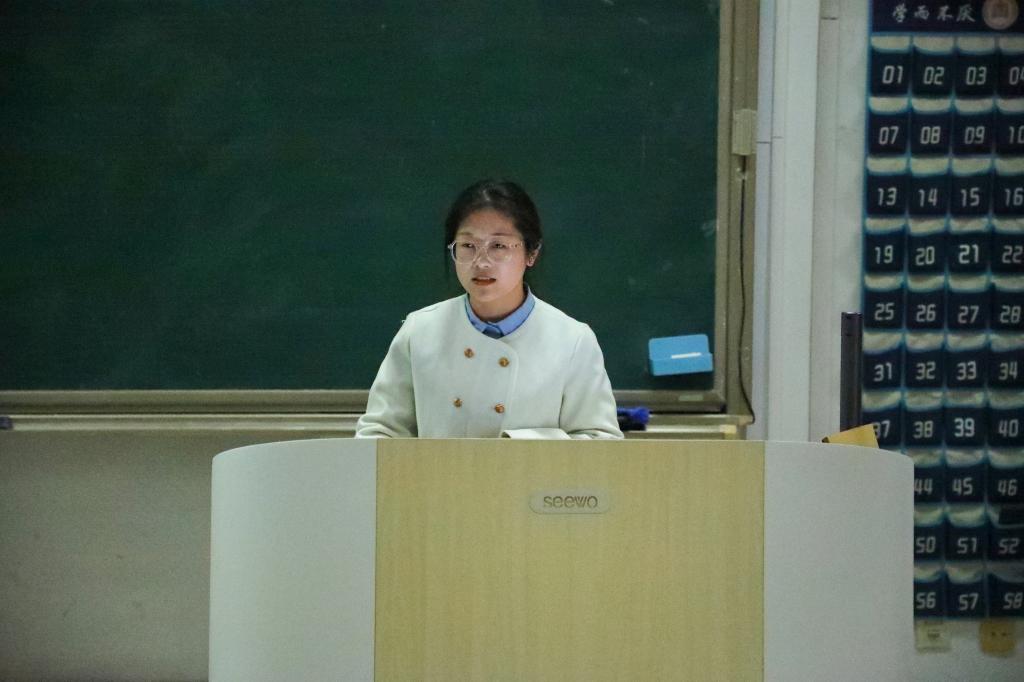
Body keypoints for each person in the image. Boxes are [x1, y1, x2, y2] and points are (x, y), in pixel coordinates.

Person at [355, 179, 622, 439]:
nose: (481, 262)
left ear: (531, 253)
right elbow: (380, 433)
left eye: (498, 246)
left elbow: (600, 442)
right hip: (438, 472)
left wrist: (525, 445)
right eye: (468, 246)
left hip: (530, 472)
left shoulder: (573, 340)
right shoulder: (420, 331)